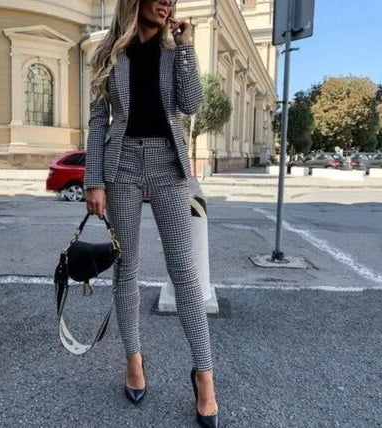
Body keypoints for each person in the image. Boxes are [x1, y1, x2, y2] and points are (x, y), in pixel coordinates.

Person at [84, 0, 219, 426]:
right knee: (127, 269)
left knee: (184, 272)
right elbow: (98, 121)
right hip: (121, 165)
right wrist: (93, 180)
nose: (166, 4)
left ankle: (204, 376)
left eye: (172, 0)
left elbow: (192, 104)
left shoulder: (173, 50)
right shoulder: (107, 53)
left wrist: (187, 47)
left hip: (168, 166)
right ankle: (134, 360)